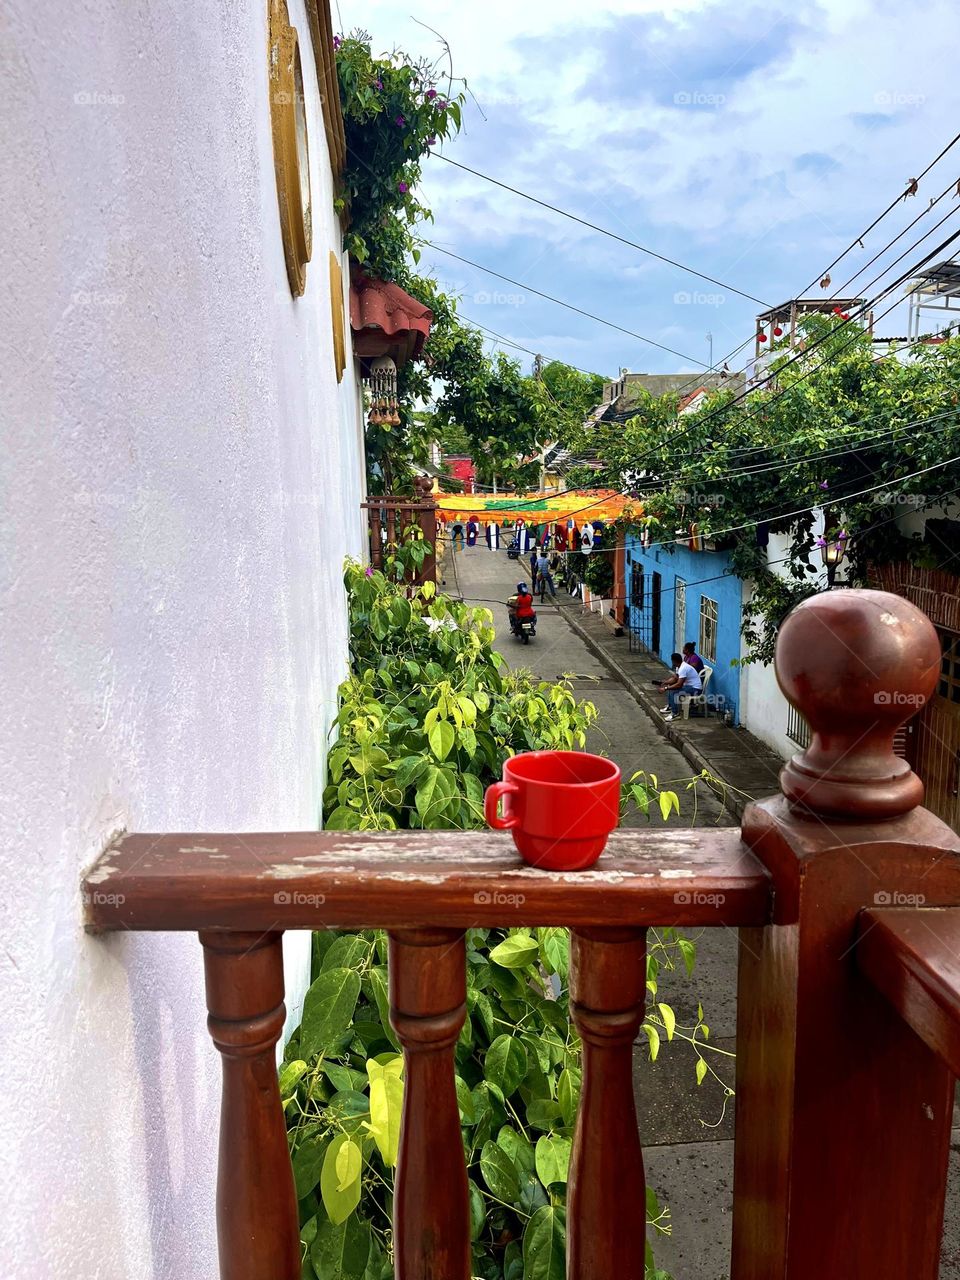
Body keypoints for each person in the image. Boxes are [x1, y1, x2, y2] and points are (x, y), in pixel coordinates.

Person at [657, 651, 702, 720]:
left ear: (674, 661)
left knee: (673, 691)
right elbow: (675, 679)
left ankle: (675, 713)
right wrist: (665, 682)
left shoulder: (683, 668)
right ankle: (671, 707)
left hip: (695, 689)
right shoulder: (679, 666)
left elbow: (679, 685)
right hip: (689, 686)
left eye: (672, 660)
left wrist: (665, 688)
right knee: (670, 686)